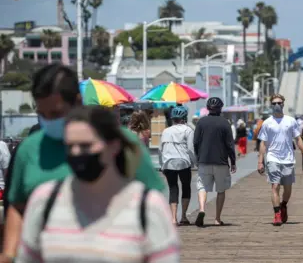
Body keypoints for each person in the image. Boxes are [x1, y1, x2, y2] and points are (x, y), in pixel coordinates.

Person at [2, 64, 165, 261]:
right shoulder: (29, 149)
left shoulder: (120, 143)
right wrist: (9, 255)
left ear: (77, 102)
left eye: (56, 113)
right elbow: (17, 208)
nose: (49, 120)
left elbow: (154, 207)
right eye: (42, 114)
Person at [16, 106, 179, 262]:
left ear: (113, 146)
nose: (76, 152)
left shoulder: (148, 207)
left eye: (86, 145)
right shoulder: (44, 201)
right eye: (70, 146)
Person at [257, 94, 303, 226]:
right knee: (275, 186)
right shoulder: (267, 123)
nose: (277, 105)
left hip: (288, 158)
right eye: (274, 103)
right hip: (272, 158)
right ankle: (277, 215)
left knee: (287, 188)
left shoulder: (291, 121)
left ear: (283, 104)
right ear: (271, 105)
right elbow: (263, 144)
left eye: (279, 103)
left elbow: (298, 139)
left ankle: (283, 205)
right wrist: (260, 161)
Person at [193, 97, 236, 227]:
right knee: (221, 190)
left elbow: (195, 142)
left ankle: (201, 209)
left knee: (202, 187)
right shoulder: (225, 123)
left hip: (204, 160)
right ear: (220, 109)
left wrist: (198, 157)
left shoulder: (201, 122)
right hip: (221, 161)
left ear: (208, 108)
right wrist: (233, 161)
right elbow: (230, 144)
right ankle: (217, 218)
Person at [159, 106, 196, 226]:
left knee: (173, 189)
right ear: (184, 118)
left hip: (168, 163)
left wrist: (162, 165)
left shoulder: (166, 131)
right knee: (186, 187)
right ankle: (184, 216)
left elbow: (161, 149)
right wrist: (194, 162)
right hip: (183, 162)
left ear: (172, 119)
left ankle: (173, 218)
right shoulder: (188, 130)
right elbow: (190, 149)